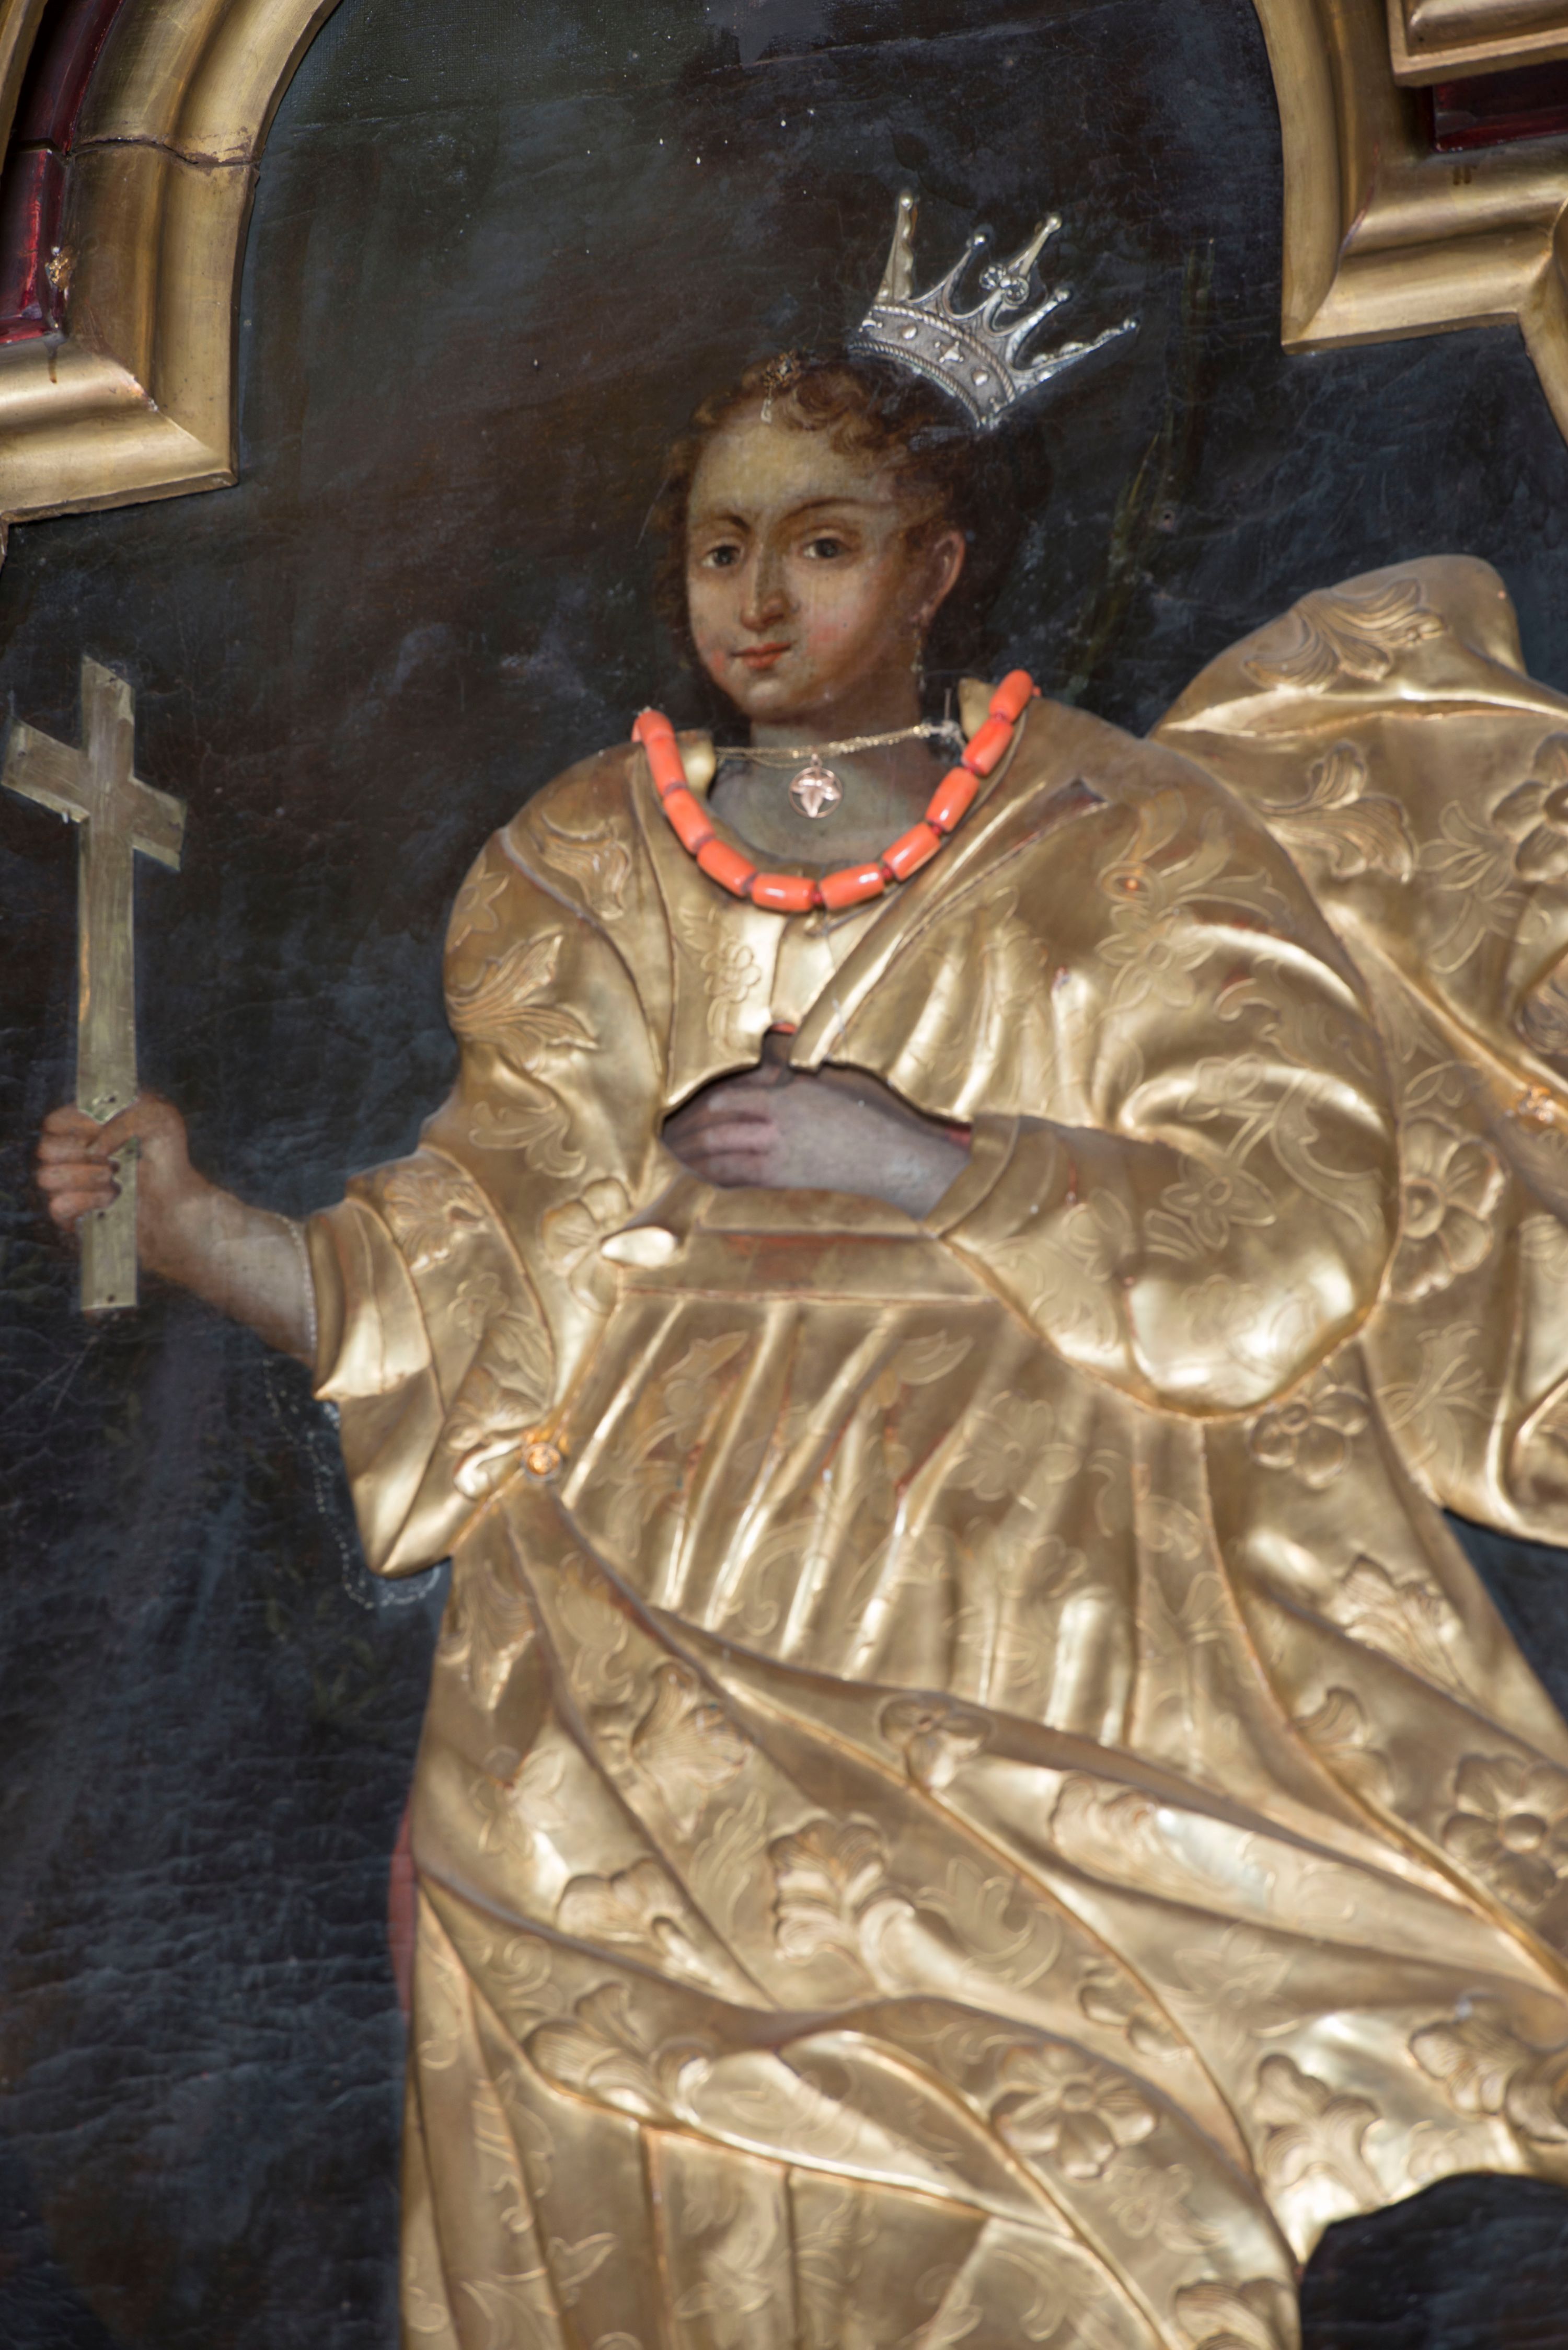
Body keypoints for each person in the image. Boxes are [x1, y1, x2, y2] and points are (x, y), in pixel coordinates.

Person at [35, 265, 1568, 2348]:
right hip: (614, 1665)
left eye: (823, 544)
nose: (757, 601)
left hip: (1019, 1626)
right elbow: (492, 1262)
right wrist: (208, 1228)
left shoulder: (1130, 842)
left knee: (1043, 2226)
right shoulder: (588, 865)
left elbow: (1288, 1224)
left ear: (937, 565)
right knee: (629, 2229)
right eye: (721, 548)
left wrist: (929, 1163)